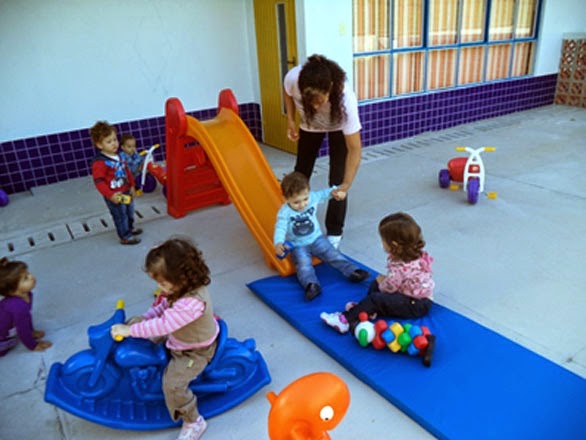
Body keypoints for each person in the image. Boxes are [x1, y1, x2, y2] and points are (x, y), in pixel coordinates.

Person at [110, 238, 218, 440]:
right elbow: (163, 308)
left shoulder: (191, 303)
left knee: (172, 384)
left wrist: (131, 331)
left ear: (182, 278)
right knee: (140, 326)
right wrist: (143, 319)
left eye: (162, 283)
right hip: (180, 335)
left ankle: (193, 421)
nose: (160, 287)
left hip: (194, 351)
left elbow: (164, 325)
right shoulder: (178, 290)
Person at [283, 54, 363, 250]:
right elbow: (287, 93)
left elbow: (354, 149)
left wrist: (346, 184)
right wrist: (291, 120)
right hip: (309, 127)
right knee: (301, 173)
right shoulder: (293, 78)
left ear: (330, 88)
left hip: (337, 127)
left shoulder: (345, 100)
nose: (315, 106)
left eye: (320, 101)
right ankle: (294, 217)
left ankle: (334, 231)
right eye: (310, 101)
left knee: (337, 179)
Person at [320, 212, 434, 334]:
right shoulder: (414, 253)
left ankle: (345, 320)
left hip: (416, 304)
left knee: (376, 297)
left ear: (394, 245)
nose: (382, 243)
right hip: (411, 294)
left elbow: (390, 288)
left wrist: (383, 282)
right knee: (376, 283)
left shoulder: (400, 267)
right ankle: (367, 310)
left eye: (383, 240)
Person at [274, 171, 369, 301]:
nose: (302, 205)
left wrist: (337, 191)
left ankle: (353, 271)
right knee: (303, 266)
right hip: (298, 245)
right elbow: (280, 228)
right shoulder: (284, 212)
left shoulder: (312, 197)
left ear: (308, 193)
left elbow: (326, 193)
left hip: (317, 239)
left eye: (305, 199)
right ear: (286, 199)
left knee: (333, 254)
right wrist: (278, 243)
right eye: (296, 202)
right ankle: (311, 285)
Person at [90, 121, 142, 245]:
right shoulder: (100, 162)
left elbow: (127, 171)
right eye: (109, 142)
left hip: (126, 190)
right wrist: (110, 195)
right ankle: (125, 236)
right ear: (99, 145)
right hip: (114, 195)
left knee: (129, 211)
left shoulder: (119, 155)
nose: (114, 143)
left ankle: (130, 229)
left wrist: (132, 185)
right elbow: (99, 182)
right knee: (120, 215)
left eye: (115, 139)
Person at [0, 258, 52, 356]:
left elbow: (26, 318)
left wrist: (31, 332)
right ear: (12, 291)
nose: (31, 277)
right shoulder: (18, 306)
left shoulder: (28, 294)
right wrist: (33, 345)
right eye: (25, 278)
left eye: (28, 273)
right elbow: (22, 329)